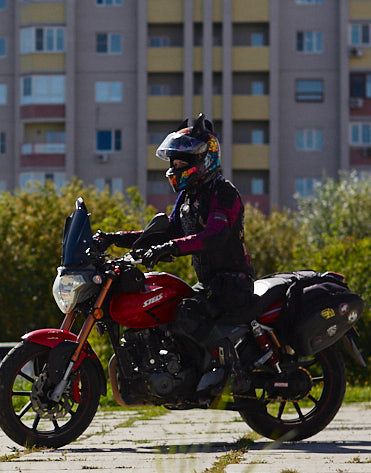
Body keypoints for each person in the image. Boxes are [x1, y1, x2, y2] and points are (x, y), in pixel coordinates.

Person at [93, 114, 254, 396]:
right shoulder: (188, 198)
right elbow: (164, 233)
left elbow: (213, 236)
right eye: (174, 162)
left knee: (187, 313)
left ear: (204, 160)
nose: (175, 168)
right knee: (168, 312)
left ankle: (227, 370)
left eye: (182, 162)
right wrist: (113, 239)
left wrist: (171, 248)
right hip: (210, 284)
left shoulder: (223, 193)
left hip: (233, 282)